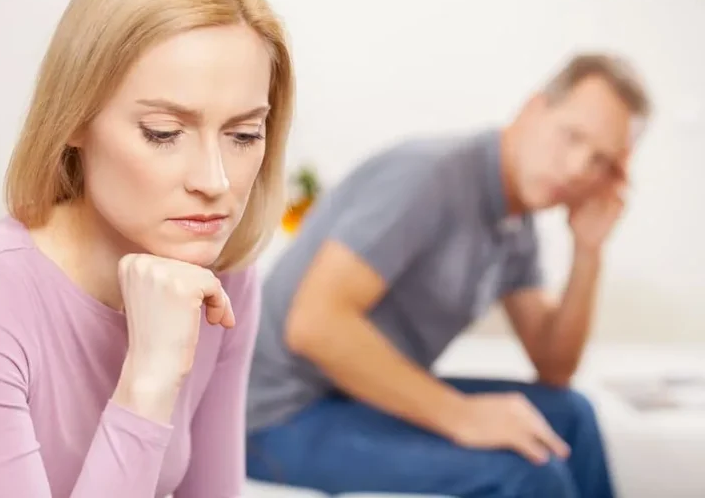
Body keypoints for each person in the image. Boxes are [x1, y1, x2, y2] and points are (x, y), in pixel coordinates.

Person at [0, 0, 294, 496]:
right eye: (163, 132)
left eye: (243, 135)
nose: (214, 181)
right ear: (75, 119)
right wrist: (148, 379)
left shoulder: (226, 281)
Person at [246, 53, 651, 497]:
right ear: (534, 109)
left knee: (573, 413)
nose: (578, 168)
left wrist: (588, 250)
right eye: (572, 137)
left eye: (599, 160)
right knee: (526, 472)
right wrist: (461, 415)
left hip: (357, 400)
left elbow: (554, 366)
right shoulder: (430, 174)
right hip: (281, 415)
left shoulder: (518, 224)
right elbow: (313, 326)